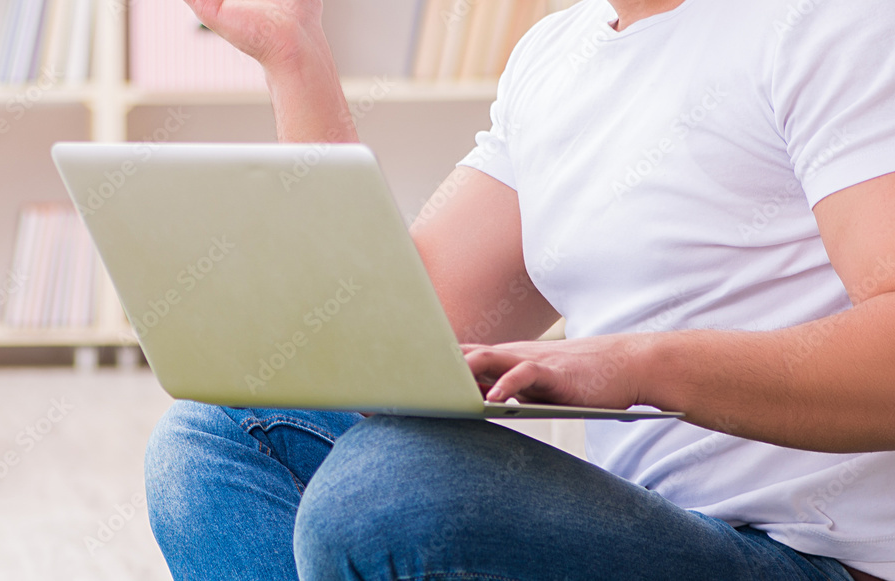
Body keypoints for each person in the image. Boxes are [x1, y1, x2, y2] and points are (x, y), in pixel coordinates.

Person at [144, 0, 895, 579]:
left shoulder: (828, 23)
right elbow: (386, 344)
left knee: (384, 492)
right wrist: (293, 55)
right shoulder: (555, 56)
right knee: (215, 440)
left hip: (813, 558)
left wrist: (637, 367)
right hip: (658, 527)